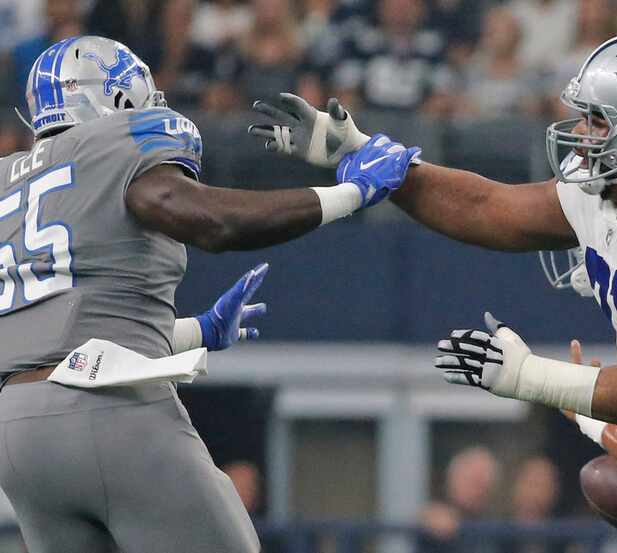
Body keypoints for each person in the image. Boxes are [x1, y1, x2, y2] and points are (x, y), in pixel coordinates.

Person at [266, 32, 617, 552]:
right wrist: (368, 157)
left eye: (597, 121)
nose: (581, 133)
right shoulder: (615, 184)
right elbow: (490, 209)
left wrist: (531, 378)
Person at [0, 36, 419, 553]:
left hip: (17, 432)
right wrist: (353, 193)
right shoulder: (116, 146)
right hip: (106, 410)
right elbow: (208, 220)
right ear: (115, 95)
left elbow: (49, 321)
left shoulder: (7, 183)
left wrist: (195, 330)